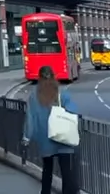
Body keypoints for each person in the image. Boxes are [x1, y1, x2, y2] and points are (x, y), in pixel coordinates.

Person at [23, 66, 79, 194]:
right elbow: (73, 110)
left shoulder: (34, 96)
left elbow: (30, 118)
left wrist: (26, 137)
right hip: (63, 137)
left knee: (47, 169)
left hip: (45, 138)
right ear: (53, 76)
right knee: (66, 172)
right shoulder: (61, 92)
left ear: (39, 77)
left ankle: (45, 192)